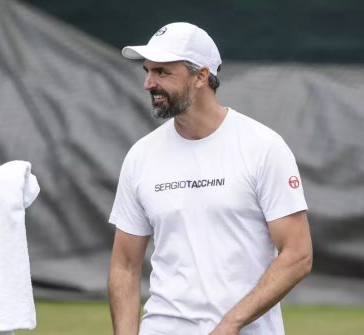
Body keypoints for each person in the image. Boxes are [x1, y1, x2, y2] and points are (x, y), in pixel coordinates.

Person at [107, 22, 313, 335]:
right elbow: (124, 264)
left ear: (202, 76)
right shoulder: (141, 156)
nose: (148, 83)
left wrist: (231, 324)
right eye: (147, 71)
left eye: (162, 72)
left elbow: (298, 255)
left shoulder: (263, 147)